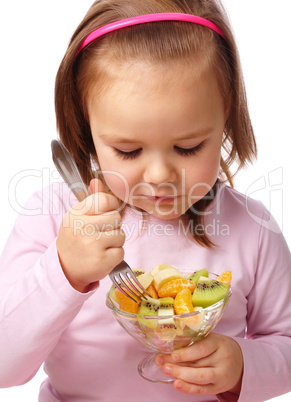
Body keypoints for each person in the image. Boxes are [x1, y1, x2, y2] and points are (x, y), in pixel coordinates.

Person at [0, 0, 290, 401]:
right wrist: (63, 270)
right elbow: (4, 366)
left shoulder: (252, 229)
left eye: (188, 147)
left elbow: (286, 343)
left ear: (225, 113)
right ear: (88, 122)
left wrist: (245, 365)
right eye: (128, 151)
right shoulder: (50, 217)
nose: (159, 176)